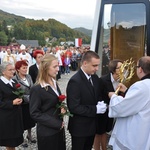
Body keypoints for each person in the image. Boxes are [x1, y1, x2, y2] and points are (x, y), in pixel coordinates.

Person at [66, 51, 107, 150]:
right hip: (79, 128)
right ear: (85, 63)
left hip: (92, 126)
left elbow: (97, 95)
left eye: (97, 65)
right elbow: (74, 107)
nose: (97, 68)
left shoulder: (95, 77)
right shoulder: (75, 81)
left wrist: (101, 103)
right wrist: (95, 109)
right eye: (94, 65)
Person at [108, 56, 150, 150]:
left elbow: (122, 107)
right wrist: (127, 91)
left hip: (136, 133)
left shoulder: (141, 86)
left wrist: (113, 96)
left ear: (140, 69)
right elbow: (141, 101)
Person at [29, 54, 66, 150]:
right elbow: (34, 113)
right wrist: (56, 123)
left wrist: (62, 108)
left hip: (59, 130)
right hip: (47, 133)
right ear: (45, 68)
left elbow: (53, 103)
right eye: (55, 66)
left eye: (58, 66)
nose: (58, 69)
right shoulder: (37, 88)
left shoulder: (54, 82)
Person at [93, 59, 123, 150]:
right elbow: (98, 96)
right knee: (98, 133)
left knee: (106, 131)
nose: (123, 69)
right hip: (102, 110)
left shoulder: (123, 79)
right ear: (114, 70)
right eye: (120, 67)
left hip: (113, 111)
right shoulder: (102, 80)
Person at [0, 62, 23, 150]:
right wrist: (12, 103)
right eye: (10, 70)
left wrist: (21, 99)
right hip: (6, 118)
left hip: (15, 116)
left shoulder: (14, 81)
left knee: (14, 142)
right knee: (9, 142)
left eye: (13, 69)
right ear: (3, 72)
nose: (13, 71)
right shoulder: (1, 83)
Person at [13, 60, 36, 148]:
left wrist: (34, 96)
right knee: (22, 121)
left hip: (30, 102)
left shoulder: (28, 76)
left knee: (30, 120)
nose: (26, 69)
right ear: (18, 69)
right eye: (23, 68)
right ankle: (22, 139)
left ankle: (29, 135)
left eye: (26, 67)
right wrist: (29, 98)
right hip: (22, 104)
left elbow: (32, 87)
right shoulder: (15, 79)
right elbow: (18, 93)